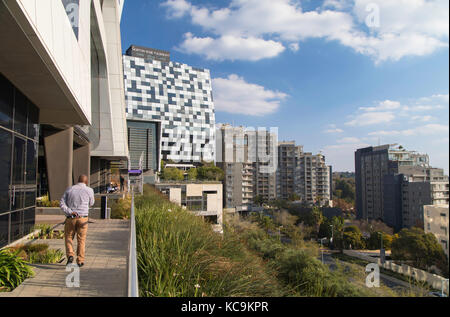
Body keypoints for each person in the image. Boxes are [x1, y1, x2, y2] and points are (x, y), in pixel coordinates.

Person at [60, 175, 95, 267]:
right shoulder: (89, 190)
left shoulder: (69, 189)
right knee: (81, 239)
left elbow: (62, 203)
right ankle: (80, 260)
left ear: (77, 181)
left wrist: (70, 211)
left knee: (68, 236)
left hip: (71, 217)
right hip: (83, 218)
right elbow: (91, 203)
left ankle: (70, 255)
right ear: (86, 182)